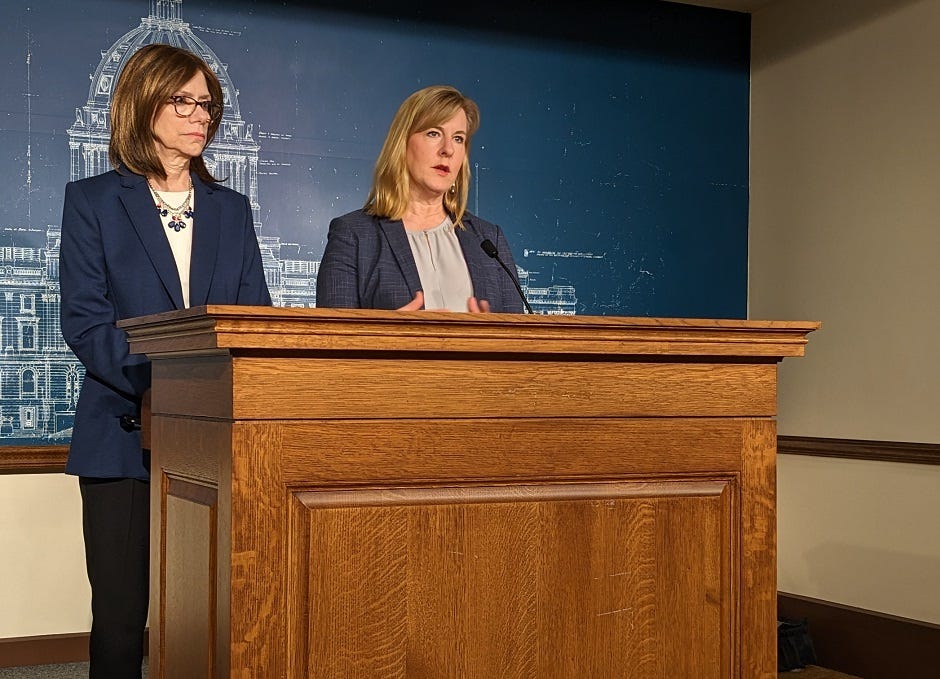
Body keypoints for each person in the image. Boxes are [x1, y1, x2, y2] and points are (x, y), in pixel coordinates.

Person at [59, 43, 271, 678]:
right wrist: (173, 388)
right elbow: (88, 323)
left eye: (206, 104)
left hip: (214, 445)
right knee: (122, 623)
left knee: (212, 617)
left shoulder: (232, 211)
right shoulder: (94, 200)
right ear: (141, 103)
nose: (199, 115)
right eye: (183, 100)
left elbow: (253, 322)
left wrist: (206, 398)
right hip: (123, 434)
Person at [316, 84, 525, 313]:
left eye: (458, 138)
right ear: (402, 144)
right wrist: (390, 337)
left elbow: (521, 341)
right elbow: (332, 341)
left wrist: (491, 339)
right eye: (433, 133)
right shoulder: (353, 236)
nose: (448, 149)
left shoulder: (488, 239)